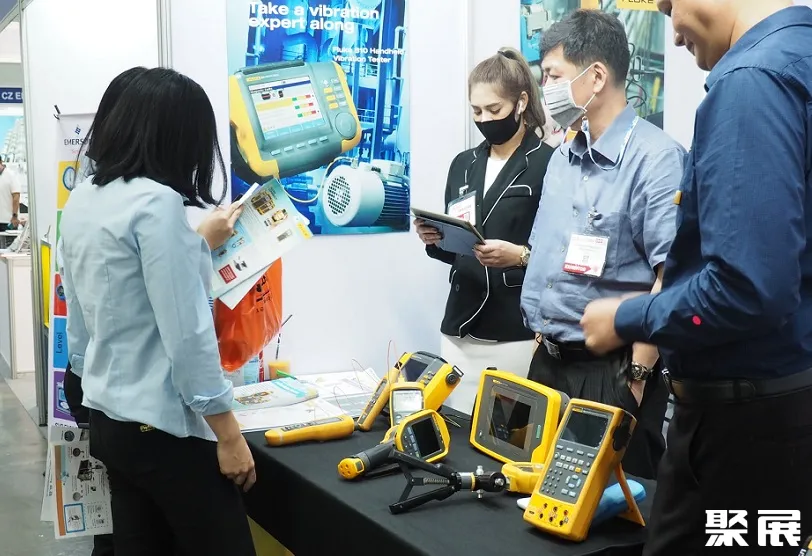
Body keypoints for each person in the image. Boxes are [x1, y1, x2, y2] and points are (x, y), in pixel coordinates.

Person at [581, 0, 812, 553]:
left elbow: (747, 288)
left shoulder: (751, 81)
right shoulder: (800, 53)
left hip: (744, 427)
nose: (675, 33)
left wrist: (628, 317)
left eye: (669, 9)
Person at [58, 67, 256, 556]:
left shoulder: (84, 197)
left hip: (109, 417)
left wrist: (195, 245)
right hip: (163, 430)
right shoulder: (158, 203)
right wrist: (228, 433)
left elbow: (82, 309)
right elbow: (187, 335)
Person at [519, 10, 686, 480]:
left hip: (612, 373)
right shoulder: (563, 157)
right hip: (548, 364)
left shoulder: (657, 160)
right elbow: (548, 256)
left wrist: (636, 379)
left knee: (610, 509)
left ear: (595, 77)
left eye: (553, 76)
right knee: (533, 499)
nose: (545, 88)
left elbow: (671, 278)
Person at [414, 47, 555, 413]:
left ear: (521, 102)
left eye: (493, 109)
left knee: (507, 434)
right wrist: (436, 239)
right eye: (476, 111)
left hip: (515, 331)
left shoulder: (548, 163)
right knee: (455, 428)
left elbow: (561, 253)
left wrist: (520, 256)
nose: (484, 119)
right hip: (459, 329)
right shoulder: (463, 164)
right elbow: (458, 247)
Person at [0, 156, 21, 230]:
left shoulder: (11, 175)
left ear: (1, 162)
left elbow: (16, 197)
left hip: (8, 221)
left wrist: (15, 216)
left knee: (8, 237)